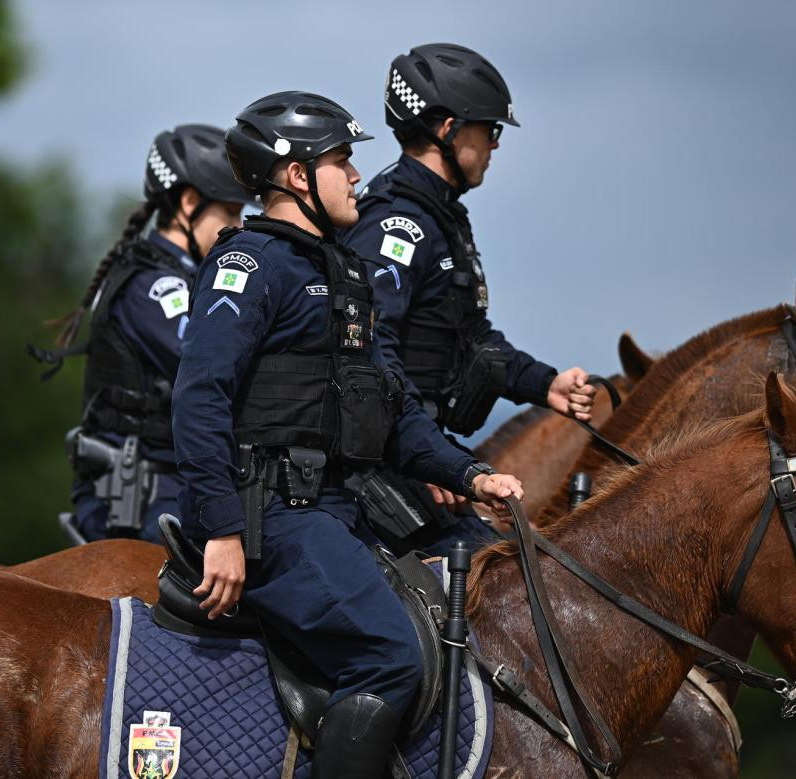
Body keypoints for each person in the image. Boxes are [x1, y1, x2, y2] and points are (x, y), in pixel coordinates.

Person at [172, 91, 523, 778]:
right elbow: (198, 396)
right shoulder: (249, 266)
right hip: (273, 516)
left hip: (338, 512)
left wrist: (470, 474)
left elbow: (391, 411)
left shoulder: (345, 275)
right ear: (298, 176)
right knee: (391, 656)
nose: (358, 175)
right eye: (342, 161)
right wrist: (222, 529)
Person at [341, 43, 596, 553]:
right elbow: (369, 353)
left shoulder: (441, 217)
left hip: (421, 452)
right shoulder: (399, 224)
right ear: (447, 129)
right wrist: (427, 455)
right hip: (389, 463)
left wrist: (546, 384)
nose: (496, 145)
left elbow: (471, 338)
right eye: (490, 129)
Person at [37, 125, 250, 543]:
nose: (239, 228)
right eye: (230, 214)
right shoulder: (154, 286)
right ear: (189, 202)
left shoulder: (189, 277)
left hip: (172, 484)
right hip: (144, 499)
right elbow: (210, 358)